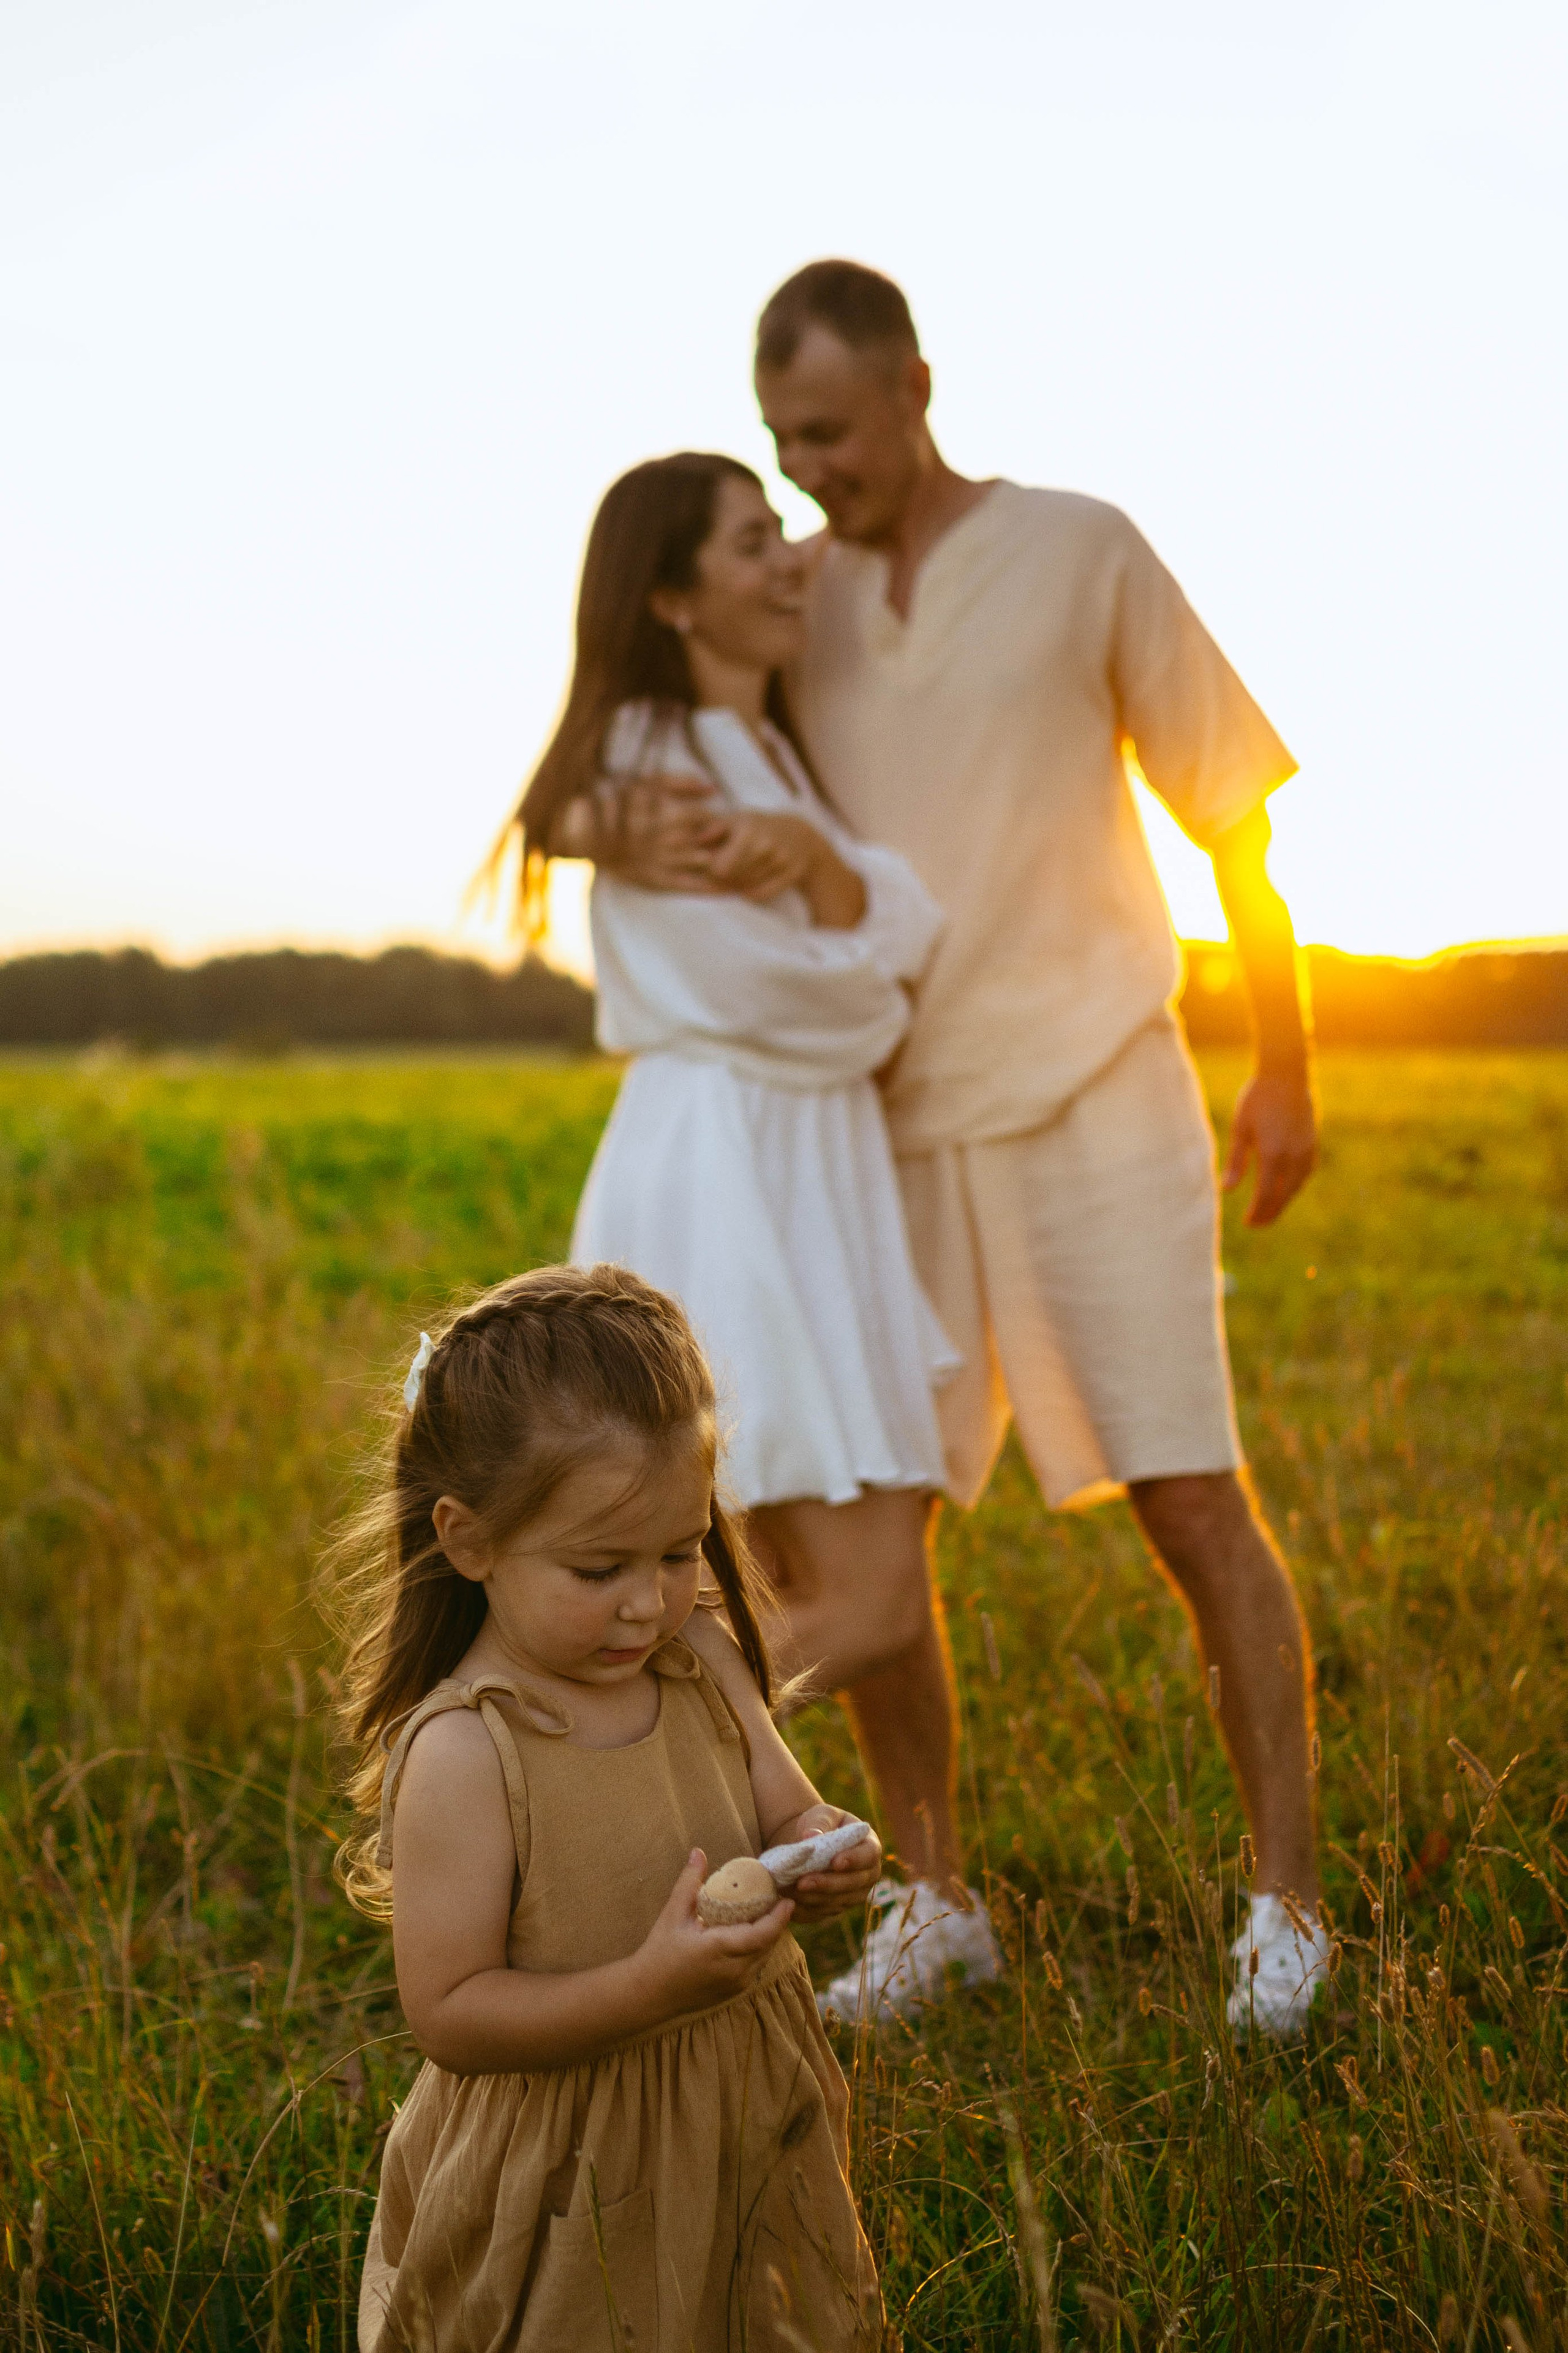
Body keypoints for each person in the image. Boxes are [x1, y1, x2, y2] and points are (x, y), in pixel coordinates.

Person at [582, 262, 1329, 2039]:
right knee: (868, 1534)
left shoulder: (1083, 546)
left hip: (1093, 1085)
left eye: (831, 432)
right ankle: (935, 1902)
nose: (812, 475)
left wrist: (1285, 1056)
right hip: (883, 1141)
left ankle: (1287, 1907)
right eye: (785, 446)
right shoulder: (788, 596)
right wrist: (594, 813)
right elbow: (634, 734)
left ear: (919, 384)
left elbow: (1235, 813)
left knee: (1186, 1492)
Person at [492, 449, 1002, 2017]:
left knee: (848, 1537)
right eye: (750, 538)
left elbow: (891, 937)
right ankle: (568, 1778)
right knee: (817, 1579)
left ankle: (934, 1896)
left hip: (808, 1170)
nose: (787, 556)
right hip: (723, 1170)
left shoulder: (758, 743)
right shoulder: (642, 758)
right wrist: (862, 951)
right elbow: (811, 997)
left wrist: (835, 881)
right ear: (668, 592)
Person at [336, 1264, 885, 2352]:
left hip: (740, 2105)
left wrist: (820, 1852)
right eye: (598, 1567)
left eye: (680, 1552)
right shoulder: (465, 1750)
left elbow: (787, 1807)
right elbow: (451, 2012)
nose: (650, 1599)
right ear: (468, 1538)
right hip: (568, 2167)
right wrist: (647, 1985)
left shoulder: (699, 1660)